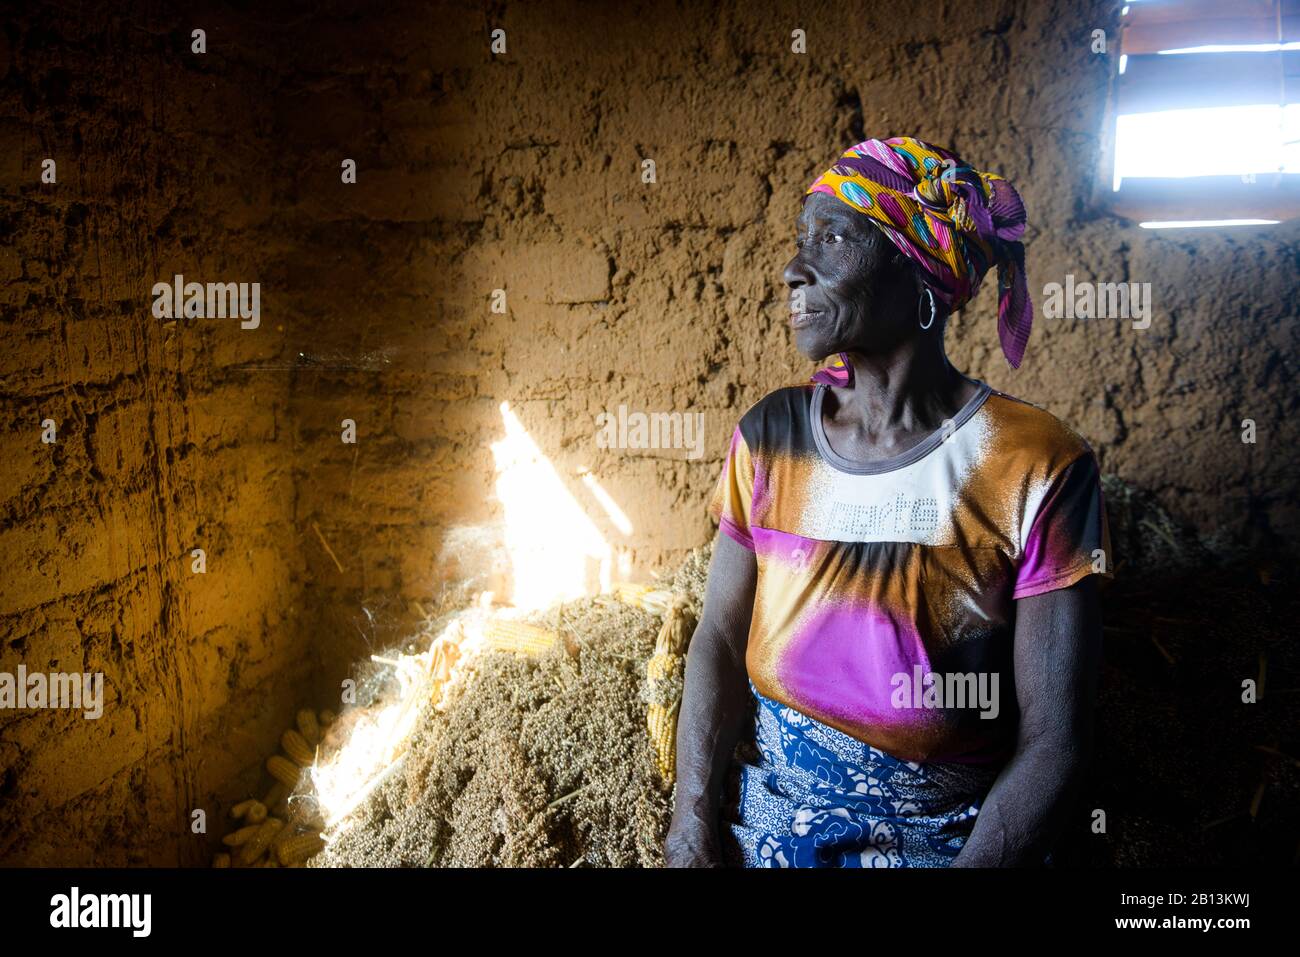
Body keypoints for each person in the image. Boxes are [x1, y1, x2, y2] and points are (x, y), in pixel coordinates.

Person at [665, 136, 1111, 868]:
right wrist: (691, 829)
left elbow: (1056, 740)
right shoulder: (772, 436)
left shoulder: (1037, 463)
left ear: (921, 274)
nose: (793, 270)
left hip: (951, 843)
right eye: (799, 240)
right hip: (768, 828)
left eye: (832, 238)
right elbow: (716, 635)